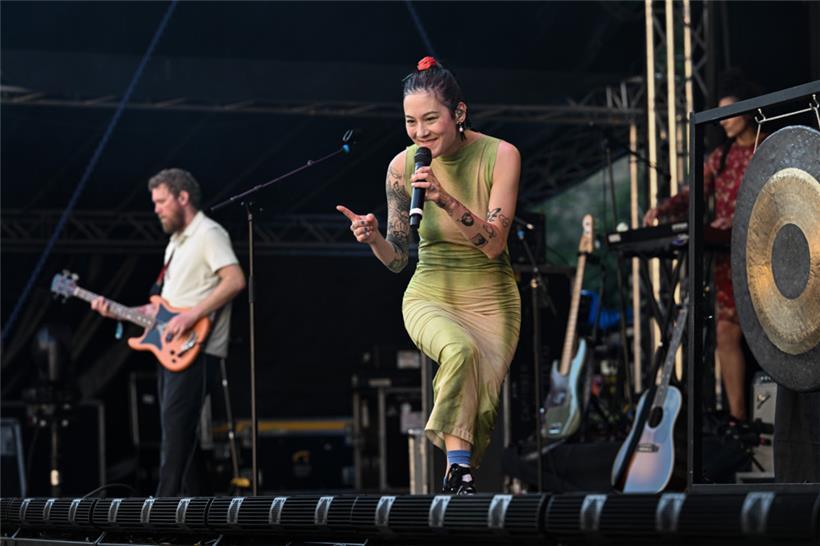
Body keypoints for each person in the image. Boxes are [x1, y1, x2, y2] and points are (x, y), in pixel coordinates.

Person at [337, 56, 521, 495]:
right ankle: (457, 470)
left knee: (484, 393)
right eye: (410, 122)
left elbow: (494, 243)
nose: (420, 133)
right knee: (458, 351)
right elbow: (399, 259)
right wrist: (375, 238)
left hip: (491, 294)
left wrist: (445, 199)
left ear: (459, 113)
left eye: (431, 119)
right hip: (430, 290)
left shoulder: (502, 155)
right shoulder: (401, 168)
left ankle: (464, 471)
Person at [92, 168, 245, 496]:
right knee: (181, 439)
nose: (157, 209)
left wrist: (190, 316)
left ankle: (160, 518)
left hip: (197, 347)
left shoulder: (208, 233)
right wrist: (118, 310)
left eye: (161, 201)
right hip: (173, 349)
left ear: (183, 197)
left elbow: (234, 280)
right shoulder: (175, 244)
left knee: (174, 438)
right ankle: (203, 515)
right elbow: (158, 310)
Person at [644, 73, 763, 424]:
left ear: (748, 111)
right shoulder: (719, 158)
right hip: (729, 258)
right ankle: (738, 420)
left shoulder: (768, 145)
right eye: (721, 114)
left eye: (731, 112)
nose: (725, 121)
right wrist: (662, 210)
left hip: (767, 252)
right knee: (726, 332)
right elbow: (692, 194)